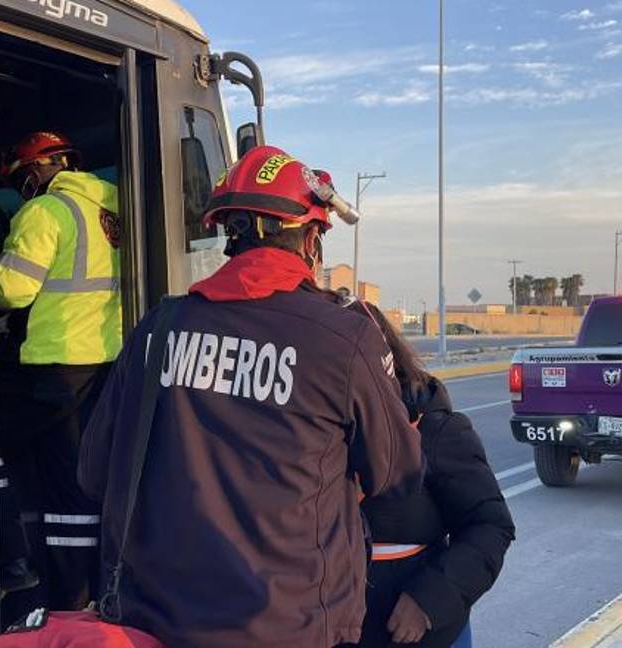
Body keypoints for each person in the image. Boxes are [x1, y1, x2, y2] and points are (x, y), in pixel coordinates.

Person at [78, 145, 424, 648]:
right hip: (290, 627)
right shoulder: (343, 338)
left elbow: (94, 473)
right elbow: (397, 476)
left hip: (155, 623)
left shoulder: (159, 326)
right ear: (310, 237)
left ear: (230, 237)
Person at [0, 131, 122, 611]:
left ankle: (10, 560)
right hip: (100, 366)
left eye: (23, 178)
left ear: (39, 169)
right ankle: (75, 598)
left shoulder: (47, 211)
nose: (25, 188)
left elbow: (13, 290)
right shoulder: (109, 212)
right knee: (71, 484)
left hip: (51, 365)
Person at [351, 302, 515, 648]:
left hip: (419, 633)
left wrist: (430, 600)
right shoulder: (314, 435)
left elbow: (490, 526)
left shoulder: (438, 430)